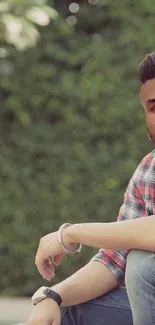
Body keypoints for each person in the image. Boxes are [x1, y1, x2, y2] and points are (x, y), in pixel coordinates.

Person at [27, 52, 155, 325]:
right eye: (154, 108)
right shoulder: (148, 169)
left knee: (143, 266)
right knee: (67, 312)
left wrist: (70, 233)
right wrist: (53, 295)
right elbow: (115, 257)